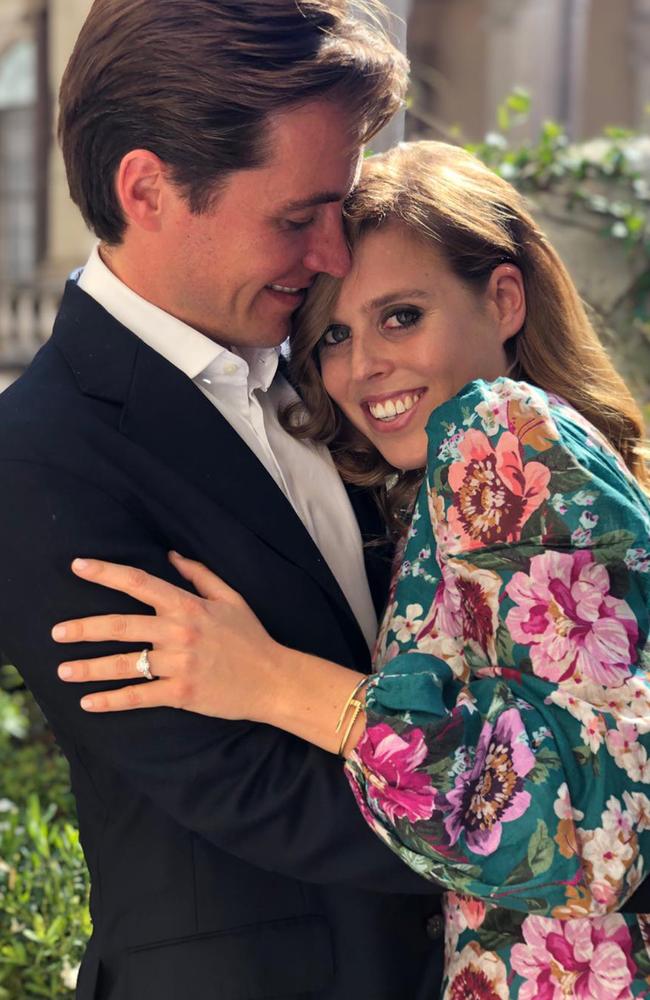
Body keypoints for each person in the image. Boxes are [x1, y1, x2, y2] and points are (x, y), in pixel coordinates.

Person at [55, 141, 650, 999]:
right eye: (333, 332)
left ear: (505, 298)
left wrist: (276, 685)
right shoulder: (442, 486)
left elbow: (587, 823)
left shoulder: (499, 435)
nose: (364, 364)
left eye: (401, 315)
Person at [0, 6, 450, 999]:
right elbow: (247, 789)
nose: (334, 252)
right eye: (296, 218)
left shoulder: (350, 357)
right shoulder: (35, 457)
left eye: (341, 205)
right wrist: (539, 834)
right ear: (147, 188)